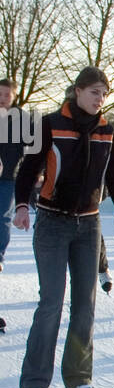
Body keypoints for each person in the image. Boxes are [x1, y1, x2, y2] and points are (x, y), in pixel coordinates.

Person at [13, 67, 114, 388]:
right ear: (77, 91)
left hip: (89, 227)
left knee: (85, 306)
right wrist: (22, 205)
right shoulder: (47, 124)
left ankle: (80, 379)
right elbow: (29, 169)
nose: (100, 99)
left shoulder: (107, 130)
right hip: (52, 222)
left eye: (104, 94)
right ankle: (35, 384)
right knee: (51, 304)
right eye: (95, 92)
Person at [0, 77, 33, 273]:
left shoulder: (23, 119)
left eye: (7, 95)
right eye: (0, 94)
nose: (3, 98)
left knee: (3, 216)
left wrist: (34, 171)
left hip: (9, 178)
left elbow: (32, 148)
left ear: (13, 96)